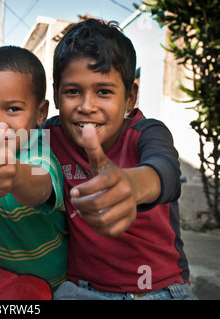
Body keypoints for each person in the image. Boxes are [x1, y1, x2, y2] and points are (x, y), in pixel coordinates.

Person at [44, 18, 196, 299]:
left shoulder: (146, 132)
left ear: (130, 97)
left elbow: (166, 173)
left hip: (158, 289)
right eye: (73, 91)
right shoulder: (49, 135)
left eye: (104, 92)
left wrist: (130, 185)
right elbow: (8, 136)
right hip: (81, 290)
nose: (87, 106)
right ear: (55, 95)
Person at [0, 46, 68, 292]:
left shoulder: (39, 154)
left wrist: (14, 174)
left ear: (40, 113)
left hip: (48, 290)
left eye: (12, 109)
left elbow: (41, 186)